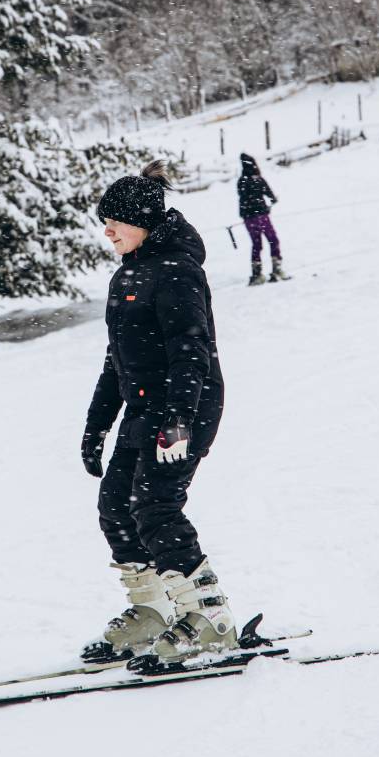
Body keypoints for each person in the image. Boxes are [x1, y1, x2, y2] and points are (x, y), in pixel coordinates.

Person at [79, 160, 237, 665]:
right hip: (143, 410)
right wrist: (96, 425)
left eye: (116, 222)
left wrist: (179, 419)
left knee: (156, 508)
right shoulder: (129, 273)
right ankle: (151, 611)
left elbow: (191, 350)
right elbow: (116, 359)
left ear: (143, 221)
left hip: (183, 407)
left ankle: (210, 619)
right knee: (116, 508)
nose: (107, 230)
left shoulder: (177, 271)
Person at [237, 152, 289, 285]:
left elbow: (243, 196)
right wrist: (271, 201)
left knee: (256, 244)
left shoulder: (241, 181)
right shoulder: (258, 180)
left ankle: (256, 273)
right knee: (273, 240)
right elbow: (271, 196)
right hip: (261, 215)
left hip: (248, 218)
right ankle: (277, 268)